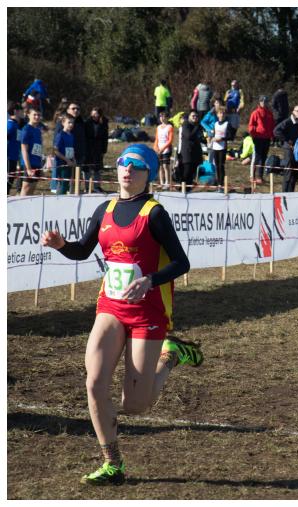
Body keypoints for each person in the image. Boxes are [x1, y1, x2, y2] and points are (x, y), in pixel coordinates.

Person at [40, 144, 199, 486]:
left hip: (148, 312)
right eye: (124, 162)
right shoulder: (105, 209)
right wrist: (61, 245)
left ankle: (171, 356)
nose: (128, 169)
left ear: (148, 174)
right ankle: (112, 463)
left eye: (137, 165)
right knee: (94, 382)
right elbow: (82, 250)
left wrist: (149, 280)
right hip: (110, 307)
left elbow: (182, 263)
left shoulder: (154, 214)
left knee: (136, 405)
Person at [274, 104, 298, 192]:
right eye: (297, 111)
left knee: (295, 173)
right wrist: (287, 140)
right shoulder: (288, 121)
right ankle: (285, 193)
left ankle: (291, 193)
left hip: (297, 150)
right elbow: (276, 131)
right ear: (293, 112)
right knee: (288, 173)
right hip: (288, 150)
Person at [247, 96, 275, 184]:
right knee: (256, 157)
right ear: (259, 102)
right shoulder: (255, 113)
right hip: (258, 138)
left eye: (266, 101)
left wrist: (272, 136)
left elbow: (272, 126)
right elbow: (251, 126)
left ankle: (260, 176)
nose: (264, 103)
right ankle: (252, 176)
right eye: (262, 101)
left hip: (267, 138)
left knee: (263, 158)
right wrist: (254, 135)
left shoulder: (269, 113)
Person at [19, 107, 44, 196]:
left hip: (36, 164)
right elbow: (24, 150)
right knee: (26, 188)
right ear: (28, 115)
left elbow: (39, 150)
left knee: (32, 188)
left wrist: (41, 166)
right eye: (34, 115)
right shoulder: (26, 129)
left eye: (39, 115)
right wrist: (28, 168)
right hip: (28, 164)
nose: (37, 117)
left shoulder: (38, 130)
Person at [176, 111, 204, 191]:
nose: (195, 117)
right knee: (186, 172)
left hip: (195, 153)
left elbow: (200, 138)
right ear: (189, 117)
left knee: (191, 174)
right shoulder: (186, 124)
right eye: (193, 116)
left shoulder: (198, 126)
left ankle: (188, 189)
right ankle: (182, 189)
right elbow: (188, 136)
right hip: (187, 153)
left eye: (196, 116)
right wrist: (196, 127)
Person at [84, 107, 109, 193]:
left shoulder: (103, 123)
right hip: (88, 148)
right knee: (87, 169)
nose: (94, 116)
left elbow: (105, 138)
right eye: (93, 114)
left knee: (97, 169)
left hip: (98, 148)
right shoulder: (87, 123)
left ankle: (97, 186)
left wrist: (104, 150)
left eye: (96, 114)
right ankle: (87, 187)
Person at [52, 114, 76, 195]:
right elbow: (56, 151)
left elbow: (71, 149)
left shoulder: (71, 135)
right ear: (63, 123)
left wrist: (73, 159)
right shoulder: (60, 135)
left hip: (70, 163)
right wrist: (67, 160)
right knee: (63, 184)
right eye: (69, 122)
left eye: (72, 123)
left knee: (67, 184)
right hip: (62, 164)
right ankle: (59, 199)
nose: (71, 125)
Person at [210, 106, 229, 191]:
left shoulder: (227, 124)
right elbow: (214, 134)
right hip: (215, 147)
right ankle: (218, 183)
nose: (222, 115)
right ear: (217, 114)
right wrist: (211, 138)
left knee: (221, 166)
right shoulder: (215, 124)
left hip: (222, 147)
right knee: (216, 166)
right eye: (220, 113)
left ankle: (221, 184)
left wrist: (221, 139)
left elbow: (230, 136)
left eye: (223, 113)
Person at [153, 111, 174, 189]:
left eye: (163, 116)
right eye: (160, 116)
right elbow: (157, 139)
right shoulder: (158, 127)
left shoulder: (170, 127)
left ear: (167, 118)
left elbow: (170, 140)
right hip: (158, 149)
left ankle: (167, 182)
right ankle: (161, 183)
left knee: (165, 166)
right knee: (160, 166)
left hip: (166, 149)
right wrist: (155, 147)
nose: (162, 118)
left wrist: (162, 149)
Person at [7, 102, 24, 194]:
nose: (23, 113)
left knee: (9, 184)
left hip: (13, 158)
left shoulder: (17, 125)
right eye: (21, 110)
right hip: (8, 158)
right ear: (15, 111)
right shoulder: (10, 124)